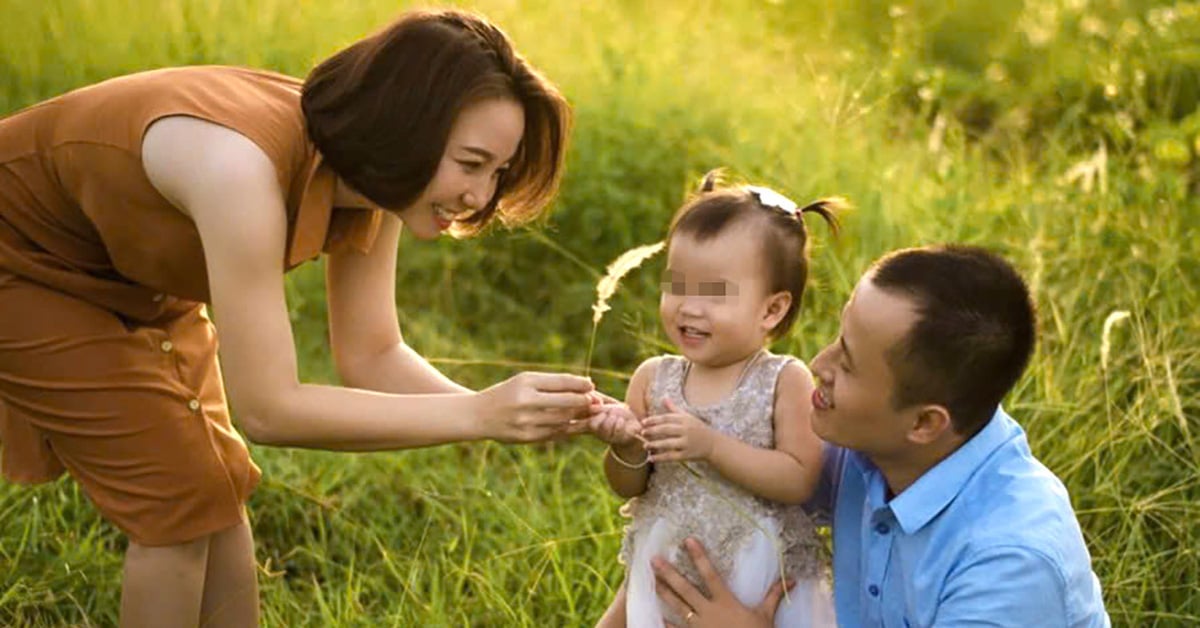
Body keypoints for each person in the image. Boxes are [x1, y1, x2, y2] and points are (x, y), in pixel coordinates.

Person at [0, 9, 596, 627]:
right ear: (406, 128)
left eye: (497, 172)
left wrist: (505, 412)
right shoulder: (239, 168)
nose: (481, 197)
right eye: (471, 164)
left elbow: (371, 354)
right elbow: (269, 409)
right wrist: (480, 415)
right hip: (21, 258)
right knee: (177, 501)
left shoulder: (379, 180)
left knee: (216, 491)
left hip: (133, 275)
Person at [649, 245, 1111, 627]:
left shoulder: (1007, 562)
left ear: (924, 424)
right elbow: (738, 474)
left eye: (847, 364)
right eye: (838, 339)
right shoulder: (881, 442)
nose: (818, 365)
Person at [587, 173, 839, 627]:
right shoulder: (652, 378)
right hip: (666, 569)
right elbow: (631, 486)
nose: (689, 307)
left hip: (756, 582)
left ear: (771, 310)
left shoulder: (783, 380)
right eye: (676, 285)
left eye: (715, 293)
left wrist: (711, 446)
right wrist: (624, 447)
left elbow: (800, 477)